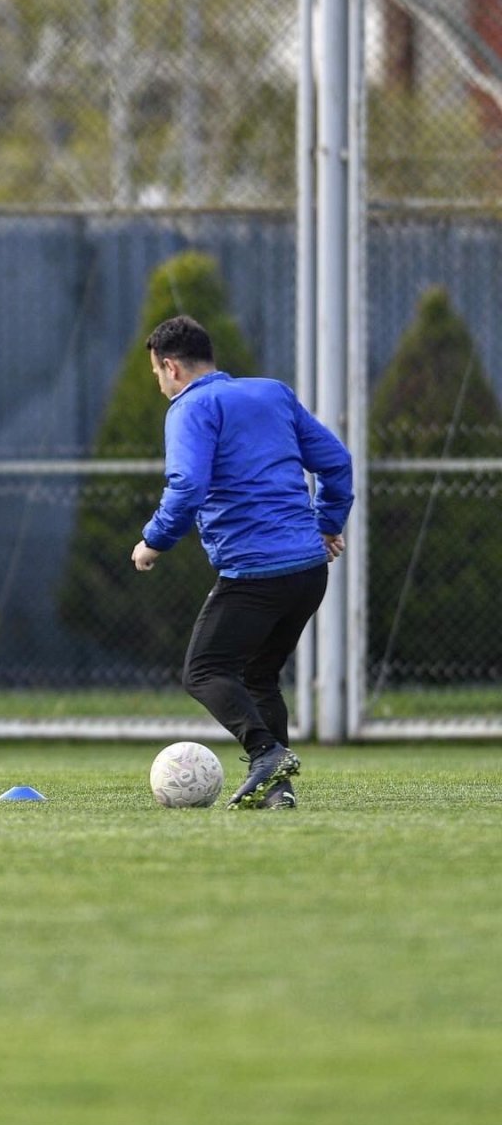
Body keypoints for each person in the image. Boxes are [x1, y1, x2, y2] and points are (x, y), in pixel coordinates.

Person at [130, 314, 353, 810]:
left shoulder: (189, 408)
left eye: (156, 374)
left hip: (257, 573)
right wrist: (328, 523)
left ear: (170, 367)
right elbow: (336, 461)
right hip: (309, 572)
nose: (160, 384)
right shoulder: (272, 393)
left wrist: (154, 542)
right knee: (259, 677)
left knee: (203, 671)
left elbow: (187, 487)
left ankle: (266, 752)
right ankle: (278, 791)